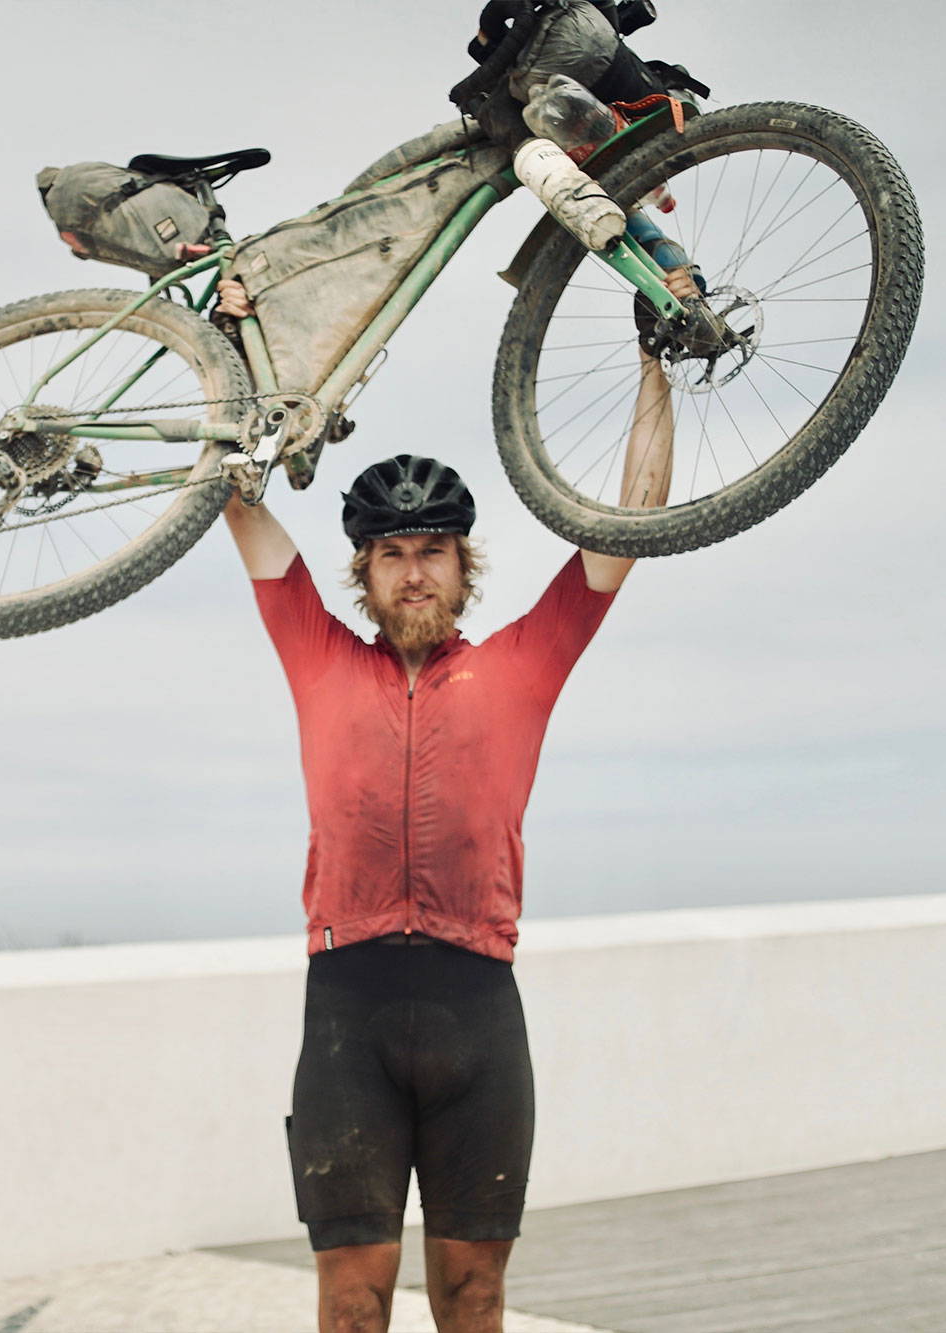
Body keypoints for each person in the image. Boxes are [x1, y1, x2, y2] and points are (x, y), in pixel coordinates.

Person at [220, 266, 697, 1333]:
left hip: (476, 1002)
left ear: (459, 563)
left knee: (472, 1297)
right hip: (345, 1011)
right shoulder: (313, 650)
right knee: (349, 1300)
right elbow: (235, 497)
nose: (412, 573)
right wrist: (232, 351)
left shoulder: (528, 657)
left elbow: (630, 520)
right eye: (390, 554)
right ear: (364, 572)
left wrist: (651, 365)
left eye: (430, 549)